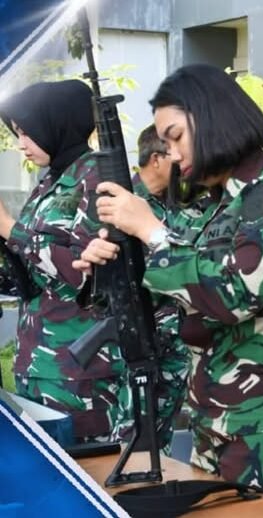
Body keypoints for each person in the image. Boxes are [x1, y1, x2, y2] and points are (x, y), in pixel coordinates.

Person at [73, 64, 263, 517]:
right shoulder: (216, 207)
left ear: (211, 116)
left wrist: (152, 232)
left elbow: (233, 293)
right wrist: (113, 264)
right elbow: (173, 288)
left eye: (175, 136)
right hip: (218, 424)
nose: (173, 155)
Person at [0, 80, 124, 443]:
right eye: (17, 133)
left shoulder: (98, 178)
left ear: (57, 123)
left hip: (79, 371)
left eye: (28, 132)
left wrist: (10, 228)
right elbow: (34, 270)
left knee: (85, 476)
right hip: (39, 362)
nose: (20, 143)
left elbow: (85, 271)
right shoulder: (50, 181)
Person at [107, 125, 198, 453]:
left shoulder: (182, 204)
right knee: (131, 445)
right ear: (157, 159)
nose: (181, 158)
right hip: (139, 345)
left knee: (164, 443)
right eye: (172, 152)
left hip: (177, 347)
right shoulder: (120, 207)